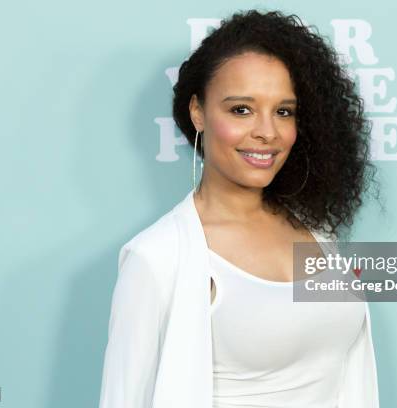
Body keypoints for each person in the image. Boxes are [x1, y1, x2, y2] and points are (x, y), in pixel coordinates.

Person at [99, 9, 379, 408]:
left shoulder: (318, 232)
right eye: (241, 110)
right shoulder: (157, 258)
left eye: (284, 111)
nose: (267, 131)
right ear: (198, 111)